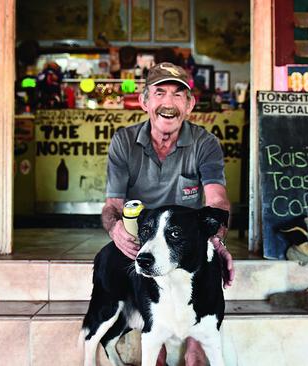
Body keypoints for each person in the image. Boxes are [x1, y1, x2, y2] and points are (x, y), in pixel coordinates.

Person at [101, 62, 235, 365]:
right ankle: (154, 331)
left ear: (189, 105)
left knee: (209, 261)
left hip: (185, 238)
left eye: (178, 95)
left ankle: (196, 340)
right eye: (159, 92)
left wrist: (218, 241)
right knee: (127, 262)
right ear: (145, 101)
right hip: (143, 236)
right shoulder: (124, 141)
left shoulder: (204, 142)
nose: (168, 103)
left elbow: (217, 198)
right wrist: (116, 230)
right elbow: (113, 205)